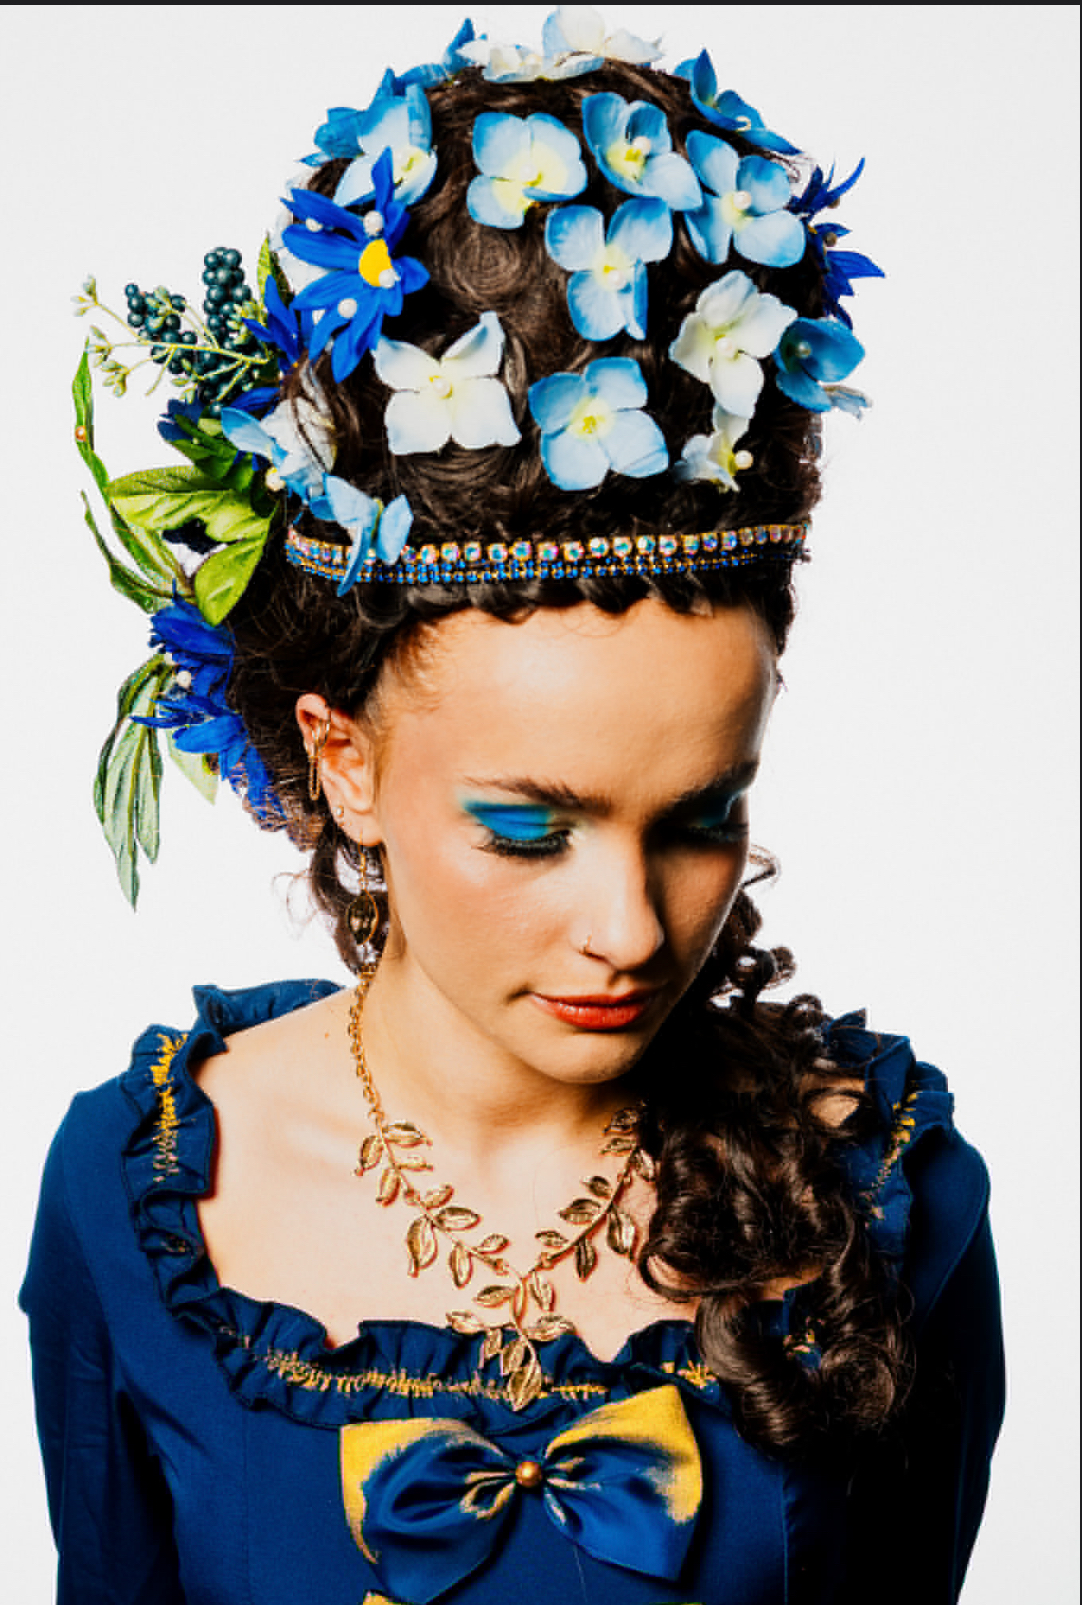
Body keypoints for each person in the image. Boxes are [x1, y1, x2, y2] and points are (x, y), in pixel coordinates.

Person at [20, 10, 1004, 1602]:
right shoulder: (143, 1205)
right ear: (343, 762)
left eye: (696, 818)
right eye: (531, 829)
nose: (630, 929)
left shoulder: (892, 1192)